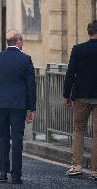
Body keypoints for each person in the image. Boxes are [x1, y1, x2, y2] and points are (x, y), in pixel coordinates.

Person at [0, 29, 36, 184]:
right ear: (18, 41)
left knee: (3, 138)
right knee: (17, 139)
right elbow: (31, 86)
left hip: (0, 104)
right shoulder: (26, 59)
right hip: (19, 105)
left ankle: (2, 173)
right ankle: (16, 175)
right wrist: (32, 108)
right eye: (23, 41)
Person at [63, 20, 97, 180]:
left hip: (81, 95)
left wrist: (66, 95)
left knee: (78, 129)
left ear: (88, 32)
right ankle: (95, 170)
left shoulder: (78, 49)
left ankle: (76, 166)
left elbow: (70, 73)